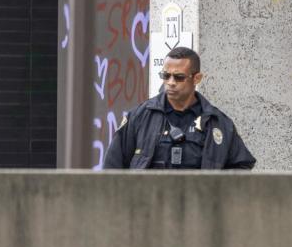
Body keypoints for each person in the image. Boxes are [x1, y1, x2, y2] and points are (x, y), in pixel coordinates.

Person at [104, 47, 256, 170]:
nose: (170, 82)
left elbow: (242, 166)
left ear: (197, 78)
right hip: (148, 206)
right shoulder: (140, 117)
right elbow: (112, 167)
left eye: (179, 77)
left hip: (198, 206)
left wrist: (217, 196)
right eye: (166, 75)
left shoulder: (218, 123)